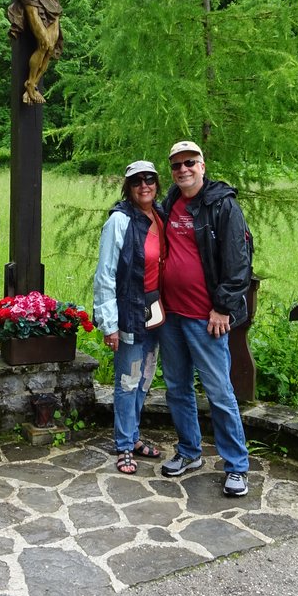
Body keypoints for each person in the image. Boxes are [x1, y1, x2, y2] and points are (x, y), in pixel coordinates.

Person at [158, 140, 252, 496]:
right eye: (176, 164)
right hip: (171, 316)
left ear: (202, 165)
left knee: (218, 391)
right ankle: (189, 451)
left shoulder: (222, 206)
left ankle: (237, 467)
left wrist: (223, 307)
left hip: (206, 317)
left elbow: (239, 261)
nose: (183, 169)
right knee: (177, 388)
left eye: (189, 163)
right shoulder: (171, 202)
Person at [93, 160, 167, 475]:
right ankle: (124, 445)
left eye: (149, 179)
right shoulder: (119, 222)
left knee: (145, 379)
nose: (144, 186)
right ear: (128, 186)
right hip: (130, 314)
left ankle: (132, 436)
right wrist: (109, 324)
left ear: (157, 183)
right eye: (137, 181)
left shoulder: (161, 215)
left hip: (156, 313)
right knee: (128, 380)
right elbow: (106, 275)